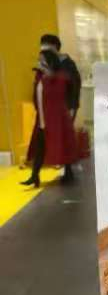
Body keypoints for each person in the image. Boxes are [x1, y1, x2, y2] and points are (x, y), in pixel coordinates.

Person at [21, 50, 78, 187]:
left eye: (42, 60)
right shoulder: (40, 77)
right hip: (42, 119)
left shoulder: (59, 78)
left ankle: (68, 172)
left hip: (56, 119)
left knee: (62, 145)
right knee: (39, 149)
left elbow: (66, 88)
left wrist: (71, 109)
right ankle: (34, 176)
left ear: (49, 61)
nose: (39, 62)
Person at [39, 34, 81, 120]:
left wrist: (71, 108)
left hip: (65, 109)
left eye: (45, 46)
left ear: (54, 47)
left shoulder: (68, 65)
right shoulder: (47, 65)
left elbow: (75, 87)